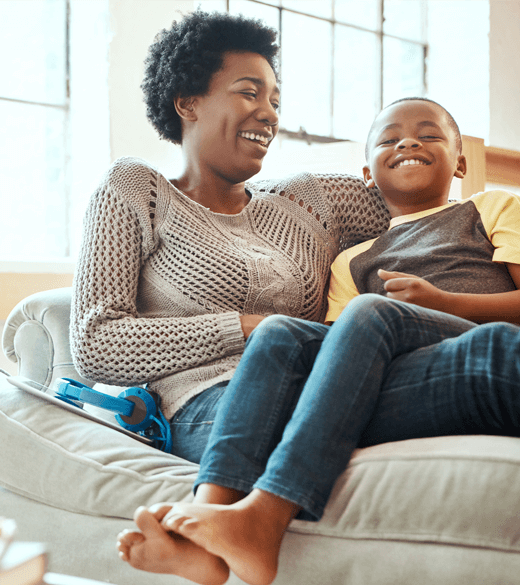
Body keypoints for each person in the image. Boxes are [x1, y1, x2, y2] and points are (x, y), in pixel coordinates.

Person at [115, 97, 520, 585]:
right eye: (389, 140)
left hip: (491, 348)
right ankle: (209, 527)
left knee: (373, 311)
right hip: (415, 372)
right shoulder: (353, 259)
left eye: (428, 135)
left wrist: (448, 302)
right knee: (280, 332)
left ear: (460, 161)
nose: (408, 142)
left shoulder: (494, 205)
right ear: (367, 173)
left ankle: (265, 515)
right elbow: (337, 349)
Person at [71, 9, 386, 584]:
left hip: (331, 381)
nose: (268, 113)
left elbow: (410, 188)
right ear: (187, 100)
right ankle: (218, 526)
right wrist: (245, 327)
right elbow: (96, 342)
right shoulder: (137, 189)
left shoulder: (305, 199)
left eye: (274, 99)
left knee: (486, 363)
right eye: (249, 92)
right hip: (213, 402)